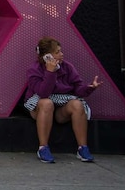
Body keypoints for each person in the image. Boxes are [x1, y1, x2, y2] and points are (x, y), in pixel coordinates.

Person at [24, 36, 102, 164]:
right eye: (57, 52)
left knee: (77, 104)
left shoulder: (67, 67)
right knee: (47, 103)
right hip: (40, 105)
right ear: (47, 56)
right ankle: (43, 148)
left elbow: (77, 88)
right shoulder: (34, 70)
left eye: (61, 51)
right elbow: (43, 93)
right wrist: (50, 72)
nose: (61, 54)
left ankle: (83, 148)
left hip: (61, 108)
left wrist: (90, 88)